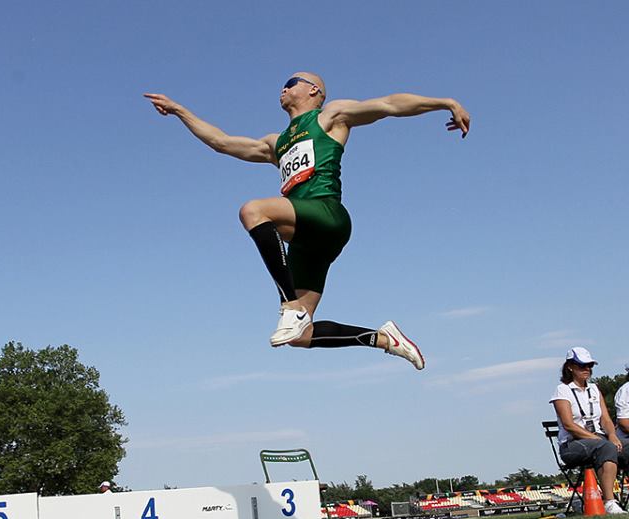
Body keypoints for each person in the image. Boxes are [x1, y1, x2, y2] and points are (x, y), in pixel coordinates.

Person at [145, 74, 471, 369]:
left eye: (292, 81)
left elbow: (388, 105)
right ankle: (385, 340)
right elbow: (222, 142)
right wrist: (179, 111)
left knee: (253, 210)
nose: (283, 88)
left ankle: (290, 305)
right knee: (299, 335)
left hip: (327, 215)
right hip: (304, 242)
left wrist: (446, 102)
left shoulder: (330, 117)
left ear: (314, 90)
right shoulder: (277, 143)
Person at [550, 347, 627, 514]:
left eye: (589, 366)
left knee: (621, 446)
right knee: (606, 447)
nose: (587, 369)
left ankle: (616, 499)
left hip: (599, 438)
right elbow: (569, 425)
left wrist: (612, 435)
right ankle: (609, 502)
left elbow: (605, 420)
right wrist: (599, 439)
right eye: (582, 366)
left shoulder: (594, 388)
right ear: (570, 367)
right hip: (573, 444)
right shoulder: (562, 390)